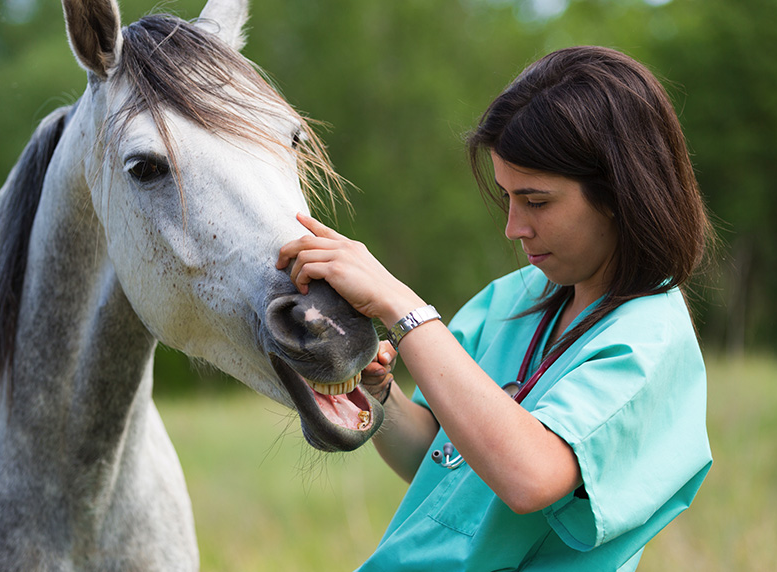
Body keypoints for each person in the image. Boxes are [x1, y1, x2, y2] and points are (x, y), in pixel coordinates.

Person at [276, 46, 713, 571]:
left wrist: (403, 307)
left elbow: (530, 478)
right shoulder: (517, 296)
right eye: (507, 197)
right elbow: (439, 462)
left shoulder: (648, 338)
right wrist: (380, 391)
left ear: (621, 191)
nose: (514, 227)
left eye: (538, 201)